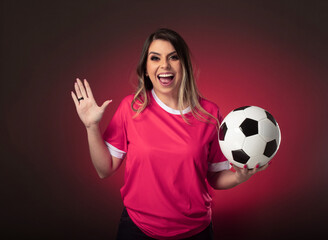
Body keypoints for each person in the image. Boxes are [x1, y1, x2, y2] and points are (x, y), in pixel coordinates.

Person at [71, 28, 268, 240]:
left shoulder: (210, 113)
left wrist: (239, 176)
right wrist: (91, 127)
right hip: (137, 230)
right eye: (155, 58)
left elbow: (214, 177)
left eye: (173, 57)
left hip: (196, 232)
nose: (164, 65)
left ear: (184, 65)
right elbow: (104, 169)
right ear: (146, 69)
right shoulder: (131, 108)